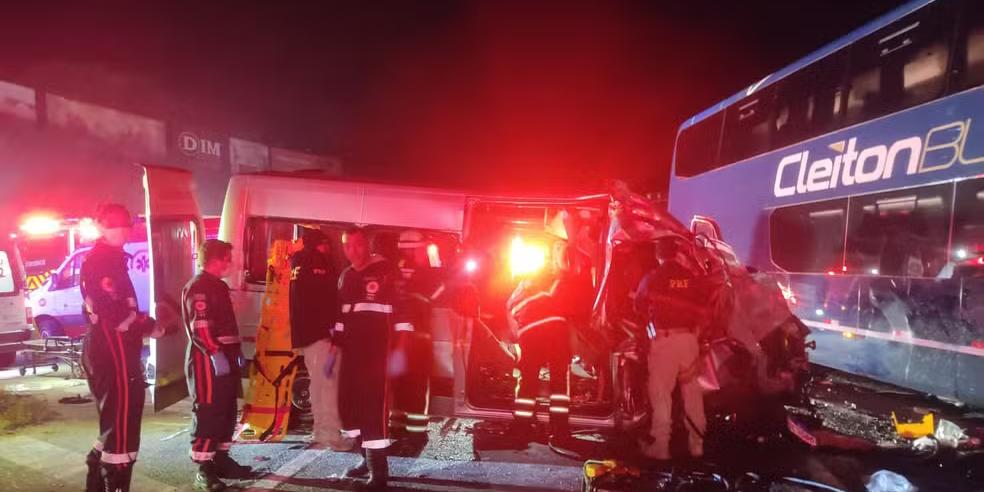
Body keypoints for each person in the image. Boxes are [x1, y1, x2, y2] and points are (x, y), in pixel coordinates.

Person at [81, 204, 163, 492]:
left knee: (115, 422)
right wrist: (148, 325)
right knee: (122, 425)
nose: (122, 229)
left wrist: (145, 323)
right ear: (101, 226)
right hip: (112, 351)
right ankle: (114, 484)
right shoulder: (101, 262)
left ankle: (96, 481)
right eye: (114, 224)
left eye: (125, 224)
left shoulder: (112, 260)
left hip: (113, 349)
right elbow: (114, 315)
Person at [336, 227, 412, 489]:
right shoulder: (346, 277)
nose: (352, 251)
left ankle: (379, 474)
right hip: (351, 356)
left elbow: (403, 314)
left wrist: (400, 350)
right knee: (350, 409)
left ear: (366, 245)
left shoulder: (386, 272)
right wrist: (334, 353)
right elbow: (341, 318)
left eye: (357, 245)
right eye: (347, 246)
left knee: (373, 411)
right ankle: (364, 460)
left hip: (378, 355)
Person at [182, 240, 252, 491]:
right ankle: (204, 470)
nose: (230, 264)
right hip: (206, 360)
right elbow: (201, 327)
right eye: (227, 259)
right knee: (208, 412)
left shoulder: (218, 286)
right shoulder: (199, 286)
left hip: (224, 356)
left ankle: (221, 459)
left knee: (226, 411)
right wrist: (215, 353)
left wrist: (235, 353)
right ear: (216, 259)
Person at [635, 237, 707, 461]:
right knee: (693, 394)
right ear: (676, 254)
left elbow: (639, 306)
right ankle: (697, 445)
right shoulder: (691, 278)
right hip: (688, 339)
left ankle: (661, 446)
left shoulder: (653, 277)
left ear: (658, 254)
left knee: (661, 394)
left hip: (665, 341)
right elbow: (704, 309)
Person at [288, 227, 351, 451]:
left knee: (317, 384)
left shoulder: (297, 262)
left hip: (305, 335)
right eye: (327, 245)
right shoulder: (318, 264)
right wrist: (333, 329)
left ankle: (320, 430)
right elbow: (325, 300)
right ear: (319, 244)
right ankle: (330, 435)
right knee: (328, 384)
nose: (329, 249)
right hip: (322, 336)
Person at [506, 239, 574, 440]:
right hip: (556, 332)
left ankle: (521, 428)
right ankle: (560, 430)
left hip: (531, 333)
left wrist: (517, 341)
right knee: (560, 383)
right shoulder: (555, 280)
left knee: (528, 380)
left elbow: (510, 310)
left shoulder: (520, 287)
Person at [389, 230, 445, 446]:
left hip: (396, 337)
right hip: (418, 337)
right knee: (418, 386)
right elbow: (441, 287)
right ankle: (417, 433)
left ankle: (396, 427)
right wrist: (435, 257)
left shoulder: (394, 269)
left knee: (398, 384)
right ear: (416, 249)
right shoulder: (425, 273)